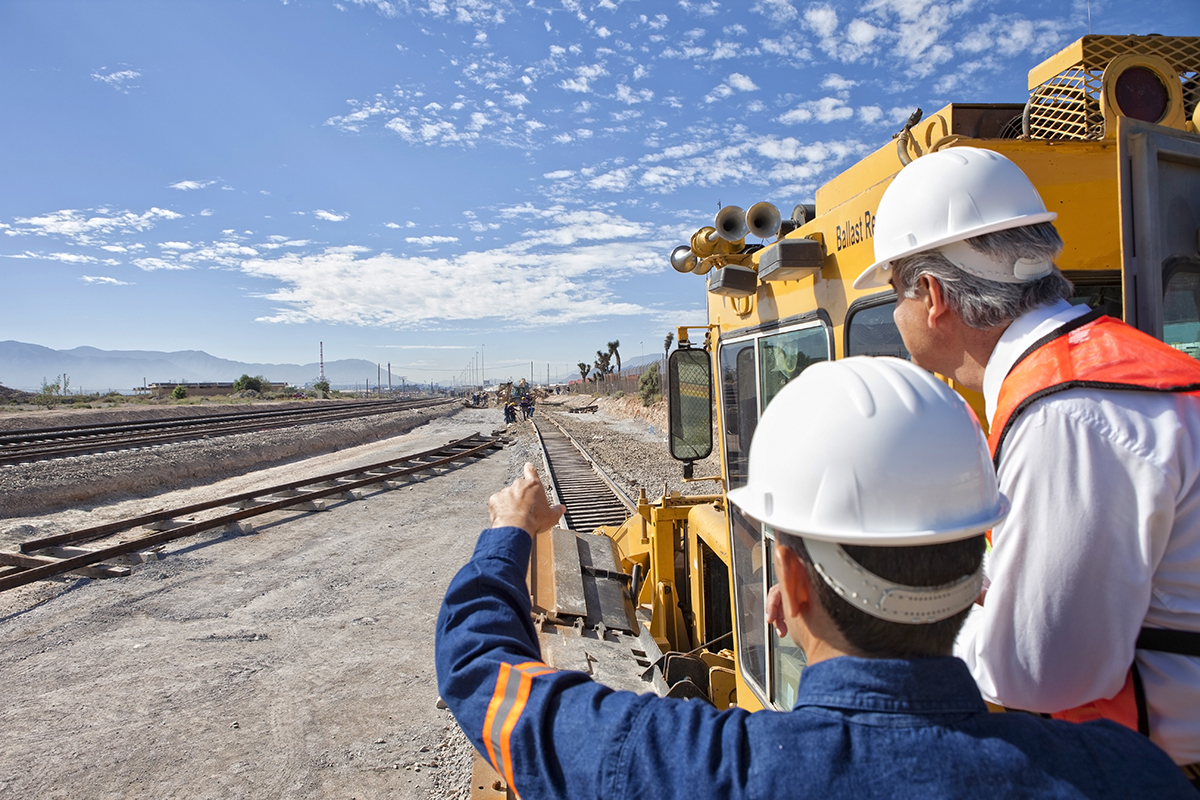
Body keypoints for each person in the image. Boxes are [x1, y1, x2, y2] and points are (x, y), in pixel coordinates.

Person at [436, 357, 1193, 799]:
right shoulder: (1128, 775)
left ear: (790, 587)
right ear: (980, 577)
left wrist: (510, 532)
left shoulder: (690, 765)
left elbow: (480, 675)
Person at [853, 146, 1200, 776]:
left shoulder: (1066, 414)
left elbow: (1039, 671)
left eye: (892, 293)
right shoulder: (1103, 365)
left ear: (933, 295)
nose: (895, 317)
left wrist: (885, 615)